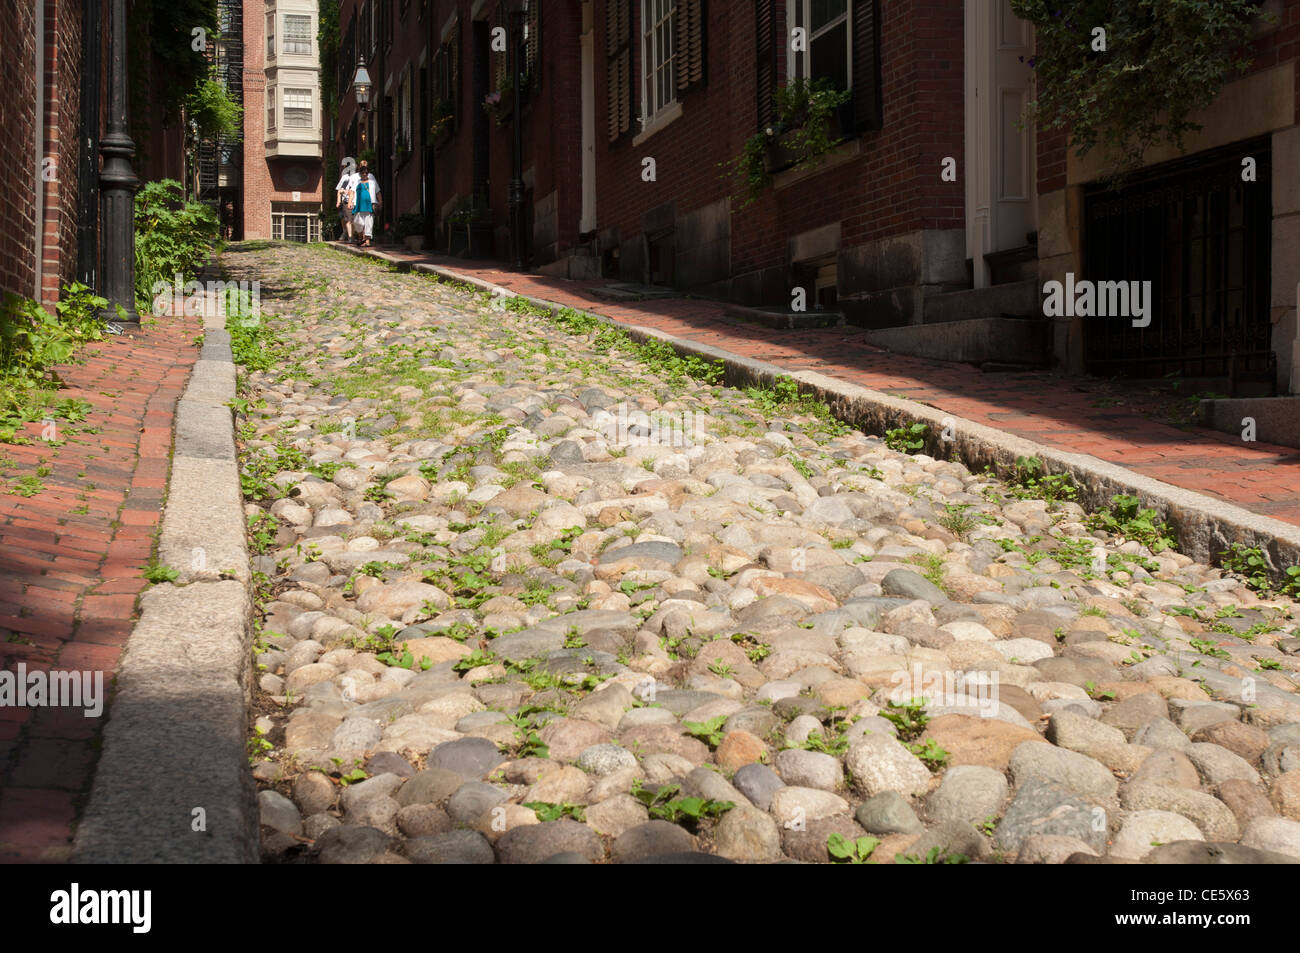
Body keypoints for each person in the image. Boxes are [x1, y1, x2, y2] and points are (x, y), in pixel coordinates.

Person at [349, 160, 381, 247]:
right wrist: (350, 201)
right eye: (363, 173)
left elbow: (378, 192)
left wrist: (380, 201)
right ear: (360, 173)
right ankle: (361, 236)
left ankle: (367, 241)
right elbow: (352, 192)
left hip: (369, 205)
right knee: (357, 223)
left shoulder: (372, 181)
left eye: (366, 173)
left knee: (369, 223)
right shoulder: (356, 181)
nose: (364, 174)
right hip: (358, 205)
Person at [335, 164, 359, 243]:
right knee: (345, 219)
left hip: (356, 200)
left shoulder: (358, 177)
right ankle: (347, 233)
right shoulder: (345, 178)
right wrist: (338, 201)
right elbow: (339, 190)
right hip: (346, 201)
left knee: (354, 219)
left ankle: (352, 235)